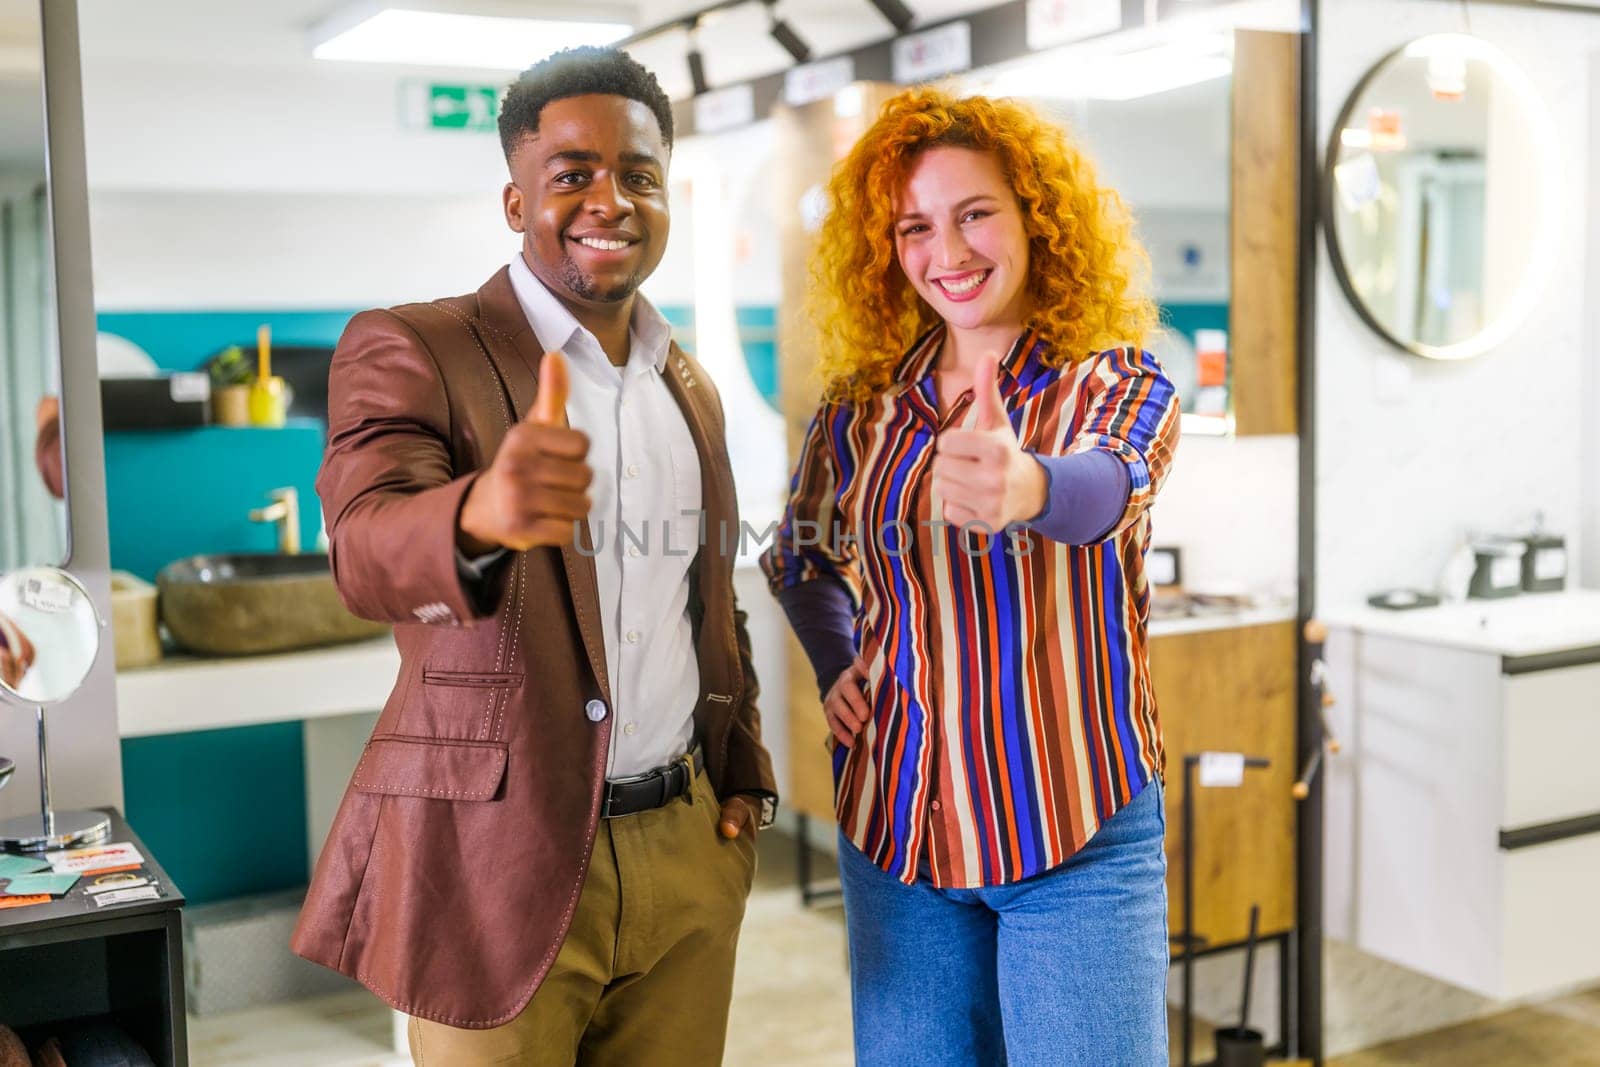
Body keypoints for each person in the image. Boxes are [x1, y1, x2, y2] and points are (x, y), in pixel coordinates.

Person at [292, 47, 776, 1067]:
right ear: (517, 200)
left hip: (687, 846)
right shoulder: (418, 346)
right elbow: (367, 547)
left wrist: (743, 776)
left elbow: (707, 603)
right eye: (573, 173)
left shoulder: (686, 382)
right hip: (493, 865)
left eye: (639, 174)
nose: (611, 197)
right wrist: (480, 509)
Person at [762, 87, 1180, 1066]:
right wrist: (835, 660)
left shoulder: (1112, 379)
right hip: (897, 830)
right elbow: (799, 550)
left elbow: (1106, 488)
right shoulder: (858, 410)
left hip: (1071, 824)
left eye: (974, 213)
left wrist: (1026, 482)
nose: (945, 251)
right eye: (914, 226)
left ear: (1037, 216)